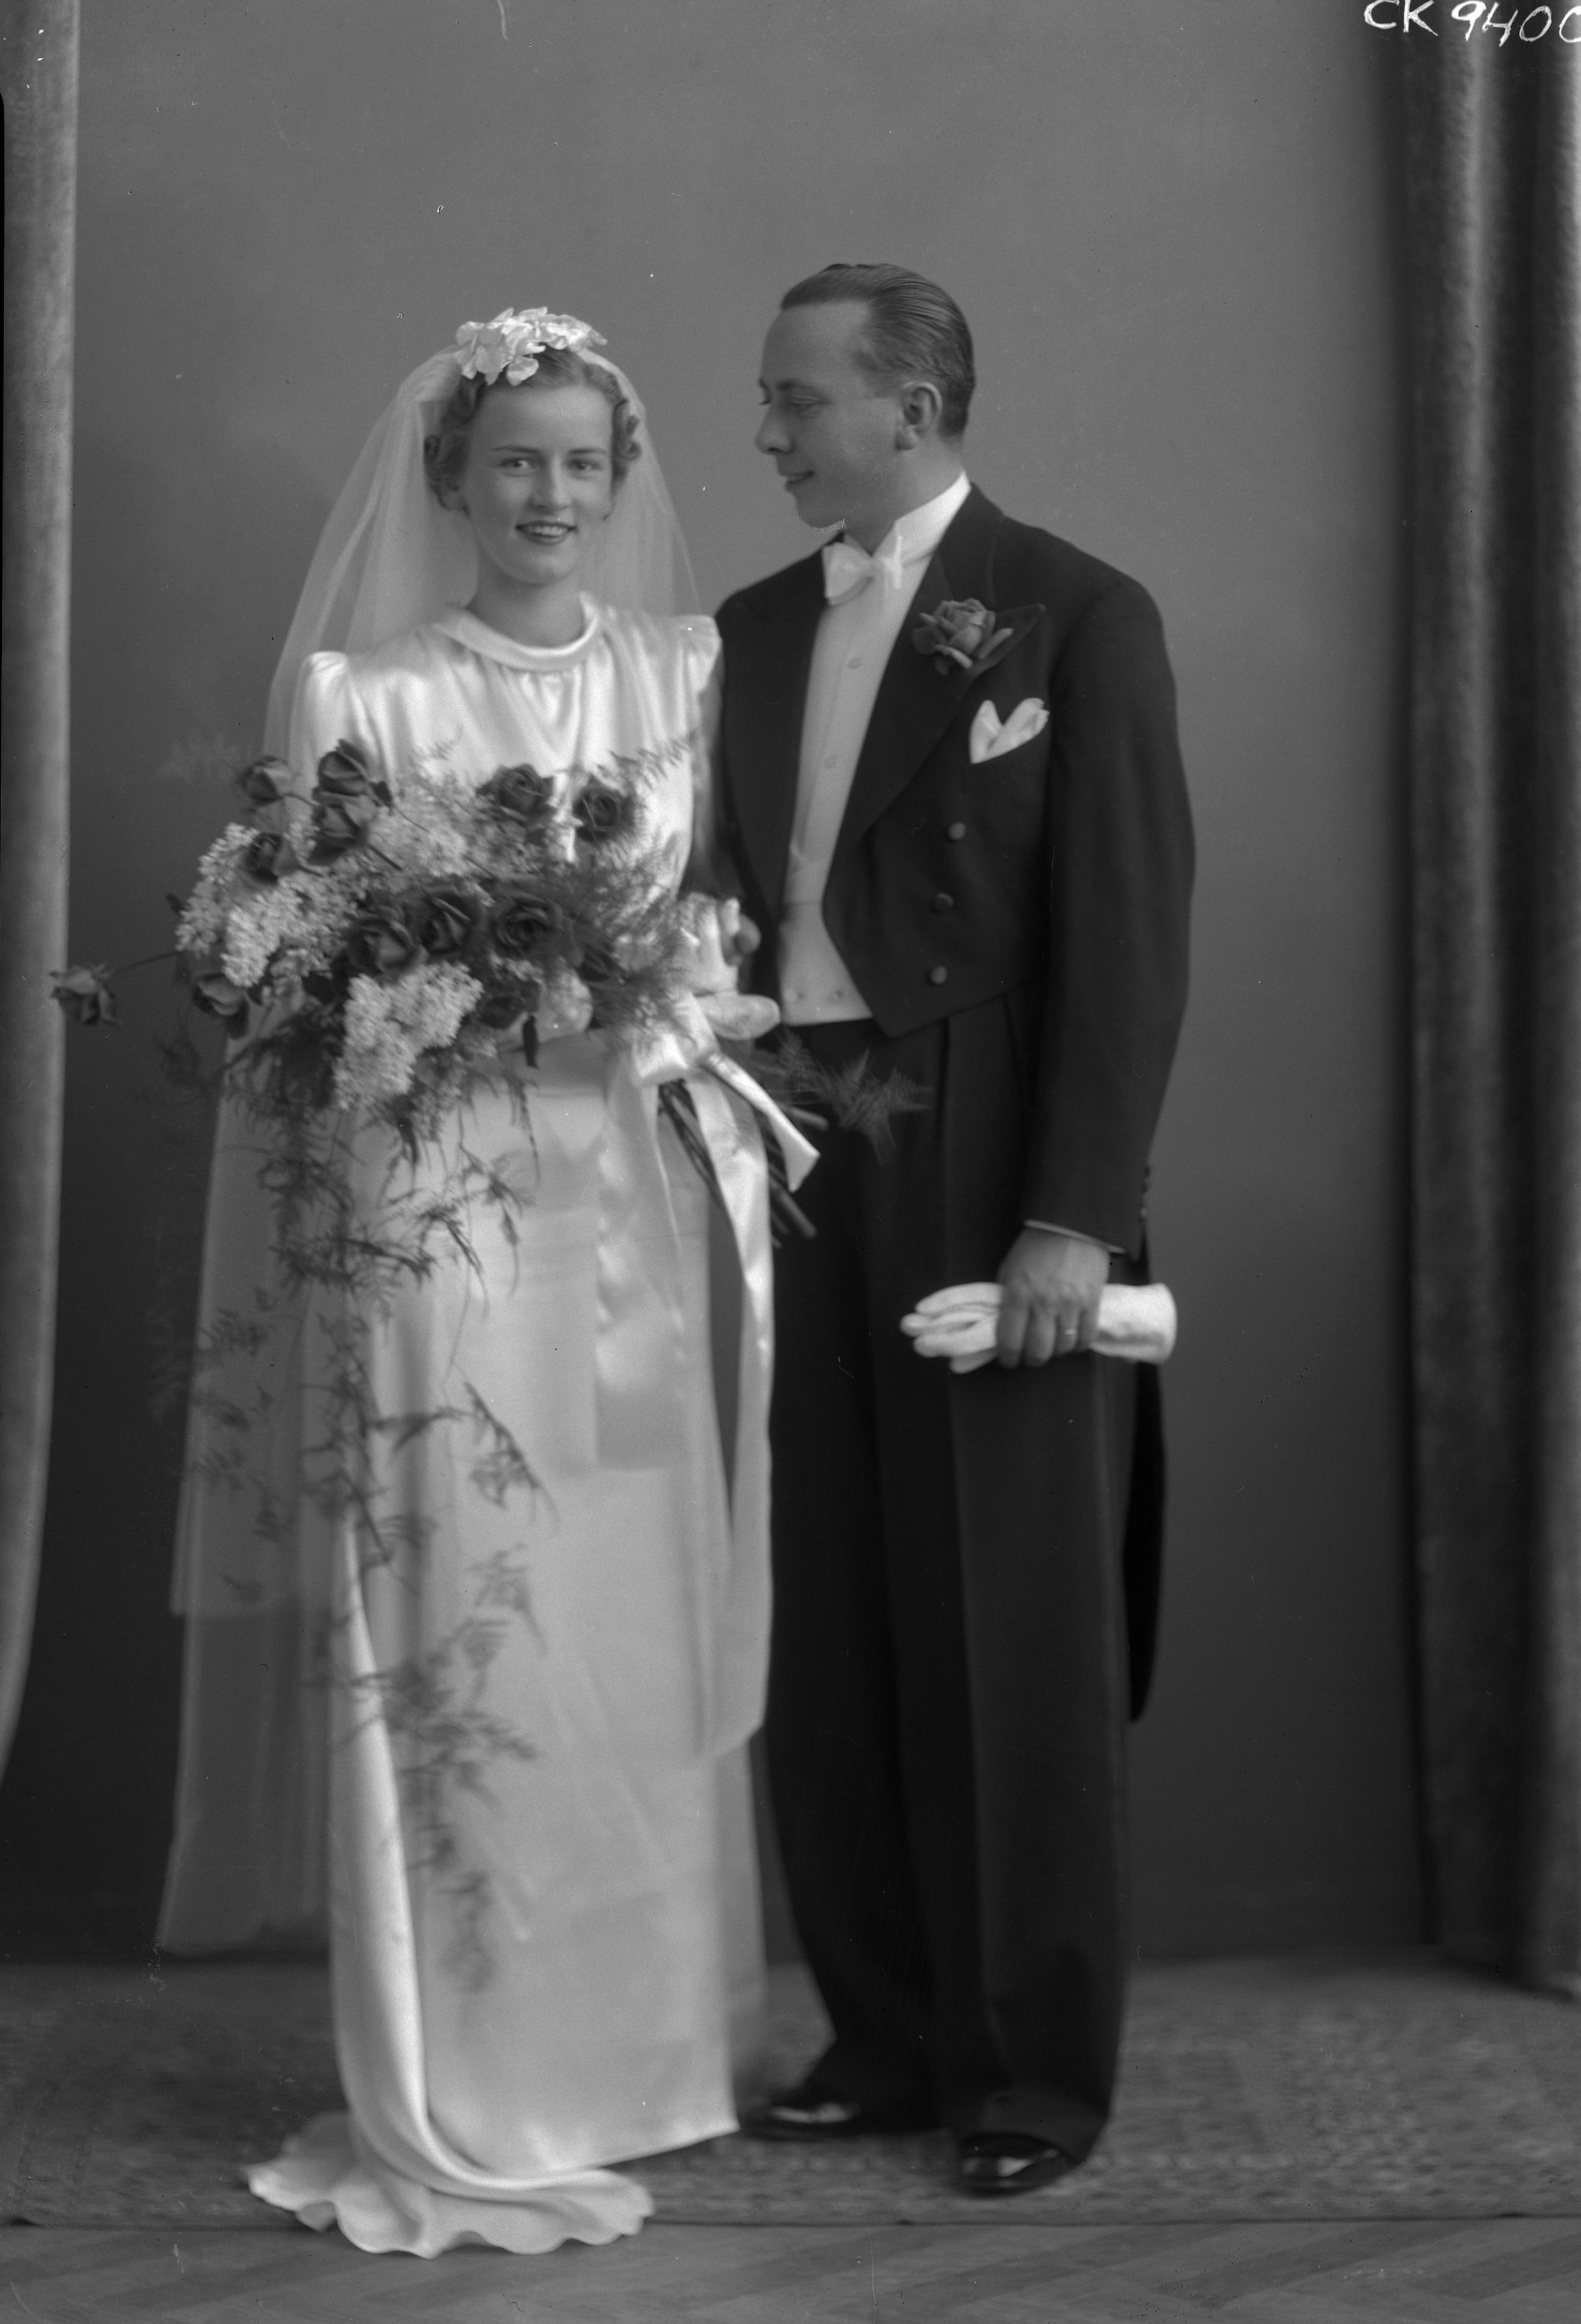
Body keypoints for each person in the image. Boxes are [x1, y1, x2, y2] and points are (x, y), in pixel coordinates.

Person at [161, 310, 805, 2256]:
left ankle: (644, 2056)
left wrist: (675, 990)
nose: (549, 494)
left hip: (628, 1195)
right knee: (465, 1586)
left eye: (580, 464)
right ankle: (470, 2064)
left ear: (619, 483)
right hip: (443, 1212)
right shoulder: (369, 698)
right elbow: (316, 966)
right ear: (450, 478)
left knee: (625, 1599)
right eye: (514, 459)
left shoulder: (686, 673)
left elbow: (720, 913)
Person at [714, 264, 1194, 2195]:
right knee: (829, 1600)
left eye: (794, 397)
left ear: (906, 408)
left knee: (1006, 1613)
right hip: (789, 1130)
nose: (766, 429)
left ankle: (1028, 2074)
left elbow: (1126, 939)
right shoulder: (747, 629)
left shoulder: (1076, 611)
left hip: (988, 1136)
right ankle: (885, 2031)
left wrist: (1074, 1217)